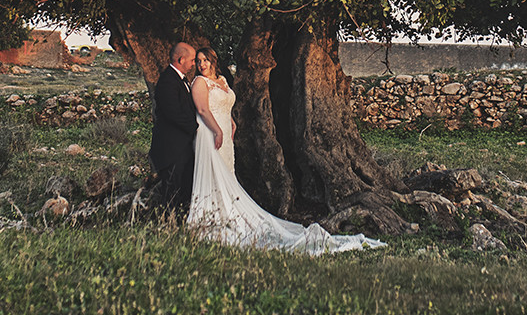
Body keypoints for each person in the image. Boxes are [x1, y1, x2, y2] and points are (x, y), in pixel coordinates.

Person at [187, 46, 384, 254]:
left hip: (225, 132)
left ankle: (227, 211)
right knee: (213, 173)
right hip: (210, 133)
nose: (201, 64)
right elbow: (202, 109)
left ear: (213, 60)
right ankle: (214, 216)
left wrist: (231, 123)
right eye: (198, 61)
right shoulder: (200, 82)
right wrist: (217, 130)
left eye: (205, 60)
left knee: (227, 172)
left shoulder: (222, 80)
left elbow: (226, 105)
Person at [149, 41, 198, 214]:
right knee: (172, 188)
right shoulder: (167, 81)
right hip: (171, 148)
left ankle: (181, 218)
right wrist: (196, 128)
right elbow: (173, 113)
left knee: (183, 186)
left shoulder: (180, 79)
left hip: (182, 146)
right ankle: (169, 221)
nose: (194, 64)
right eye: (192, 60)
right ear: (181, 59)